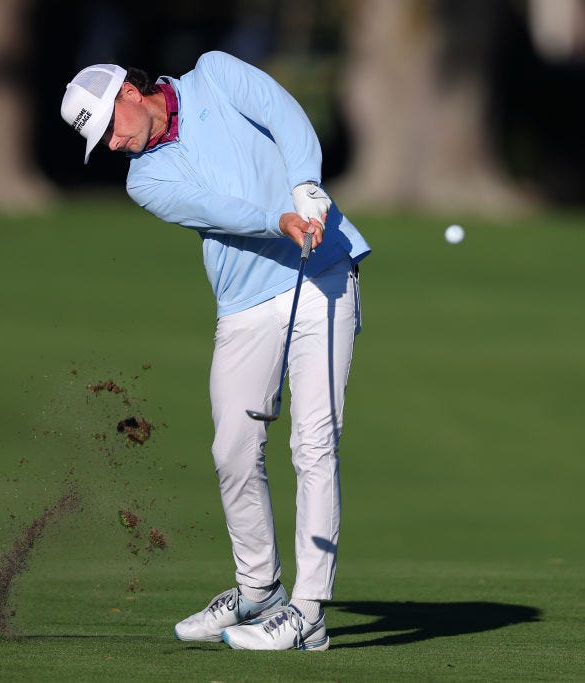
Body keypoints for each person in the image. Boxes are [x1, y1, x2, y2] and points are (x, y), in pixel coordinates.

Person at [60, 52, 369, 651]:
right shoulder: (143, 180)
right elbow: (219, 211)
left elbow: (286, 114)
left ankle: (307, 612)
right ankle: (259, 590)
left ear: (127, 90)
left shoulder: (216, 75)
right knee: (232, 448)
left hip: (324, 278)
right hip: (245, 304)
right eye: (103, 142)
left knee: (313, 443)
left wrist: (306, 183)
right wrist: (281, 218)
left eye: (111, 128)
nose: (116, 144)